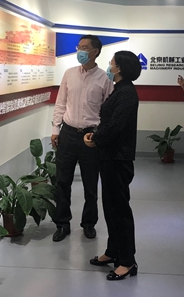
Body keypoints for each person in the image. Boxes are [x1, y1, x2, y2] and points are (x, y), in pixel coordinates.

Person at [83, 51, 142, 281]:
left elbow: (116, 126)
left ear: (120, 68)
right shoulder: (119, 89)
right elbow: (108, 122)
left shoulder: (127, 93)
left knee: (120, 210)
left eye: (112, 63)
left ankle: (127, 261)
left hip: (118, 159)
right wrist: (96, 135)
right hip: (109, 157)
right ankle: (113, 251)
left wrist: (95, 139)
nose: (109, 66)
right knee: (110, 207)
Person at [51, 34, 114, 242]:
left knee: (90, 183)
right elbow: (61, 103)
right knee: (62, 182)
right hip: (68, 133)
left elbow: (108, 110)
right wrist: (56, 129)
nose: (80, 51)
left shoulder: (105, 78)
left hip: (91, 136)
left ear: (95, 51)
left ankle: (89, 223)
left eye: (84, 47)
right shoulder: (69, 74)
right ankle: (62, 224)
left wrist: (100, 135)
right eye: (79, 47)